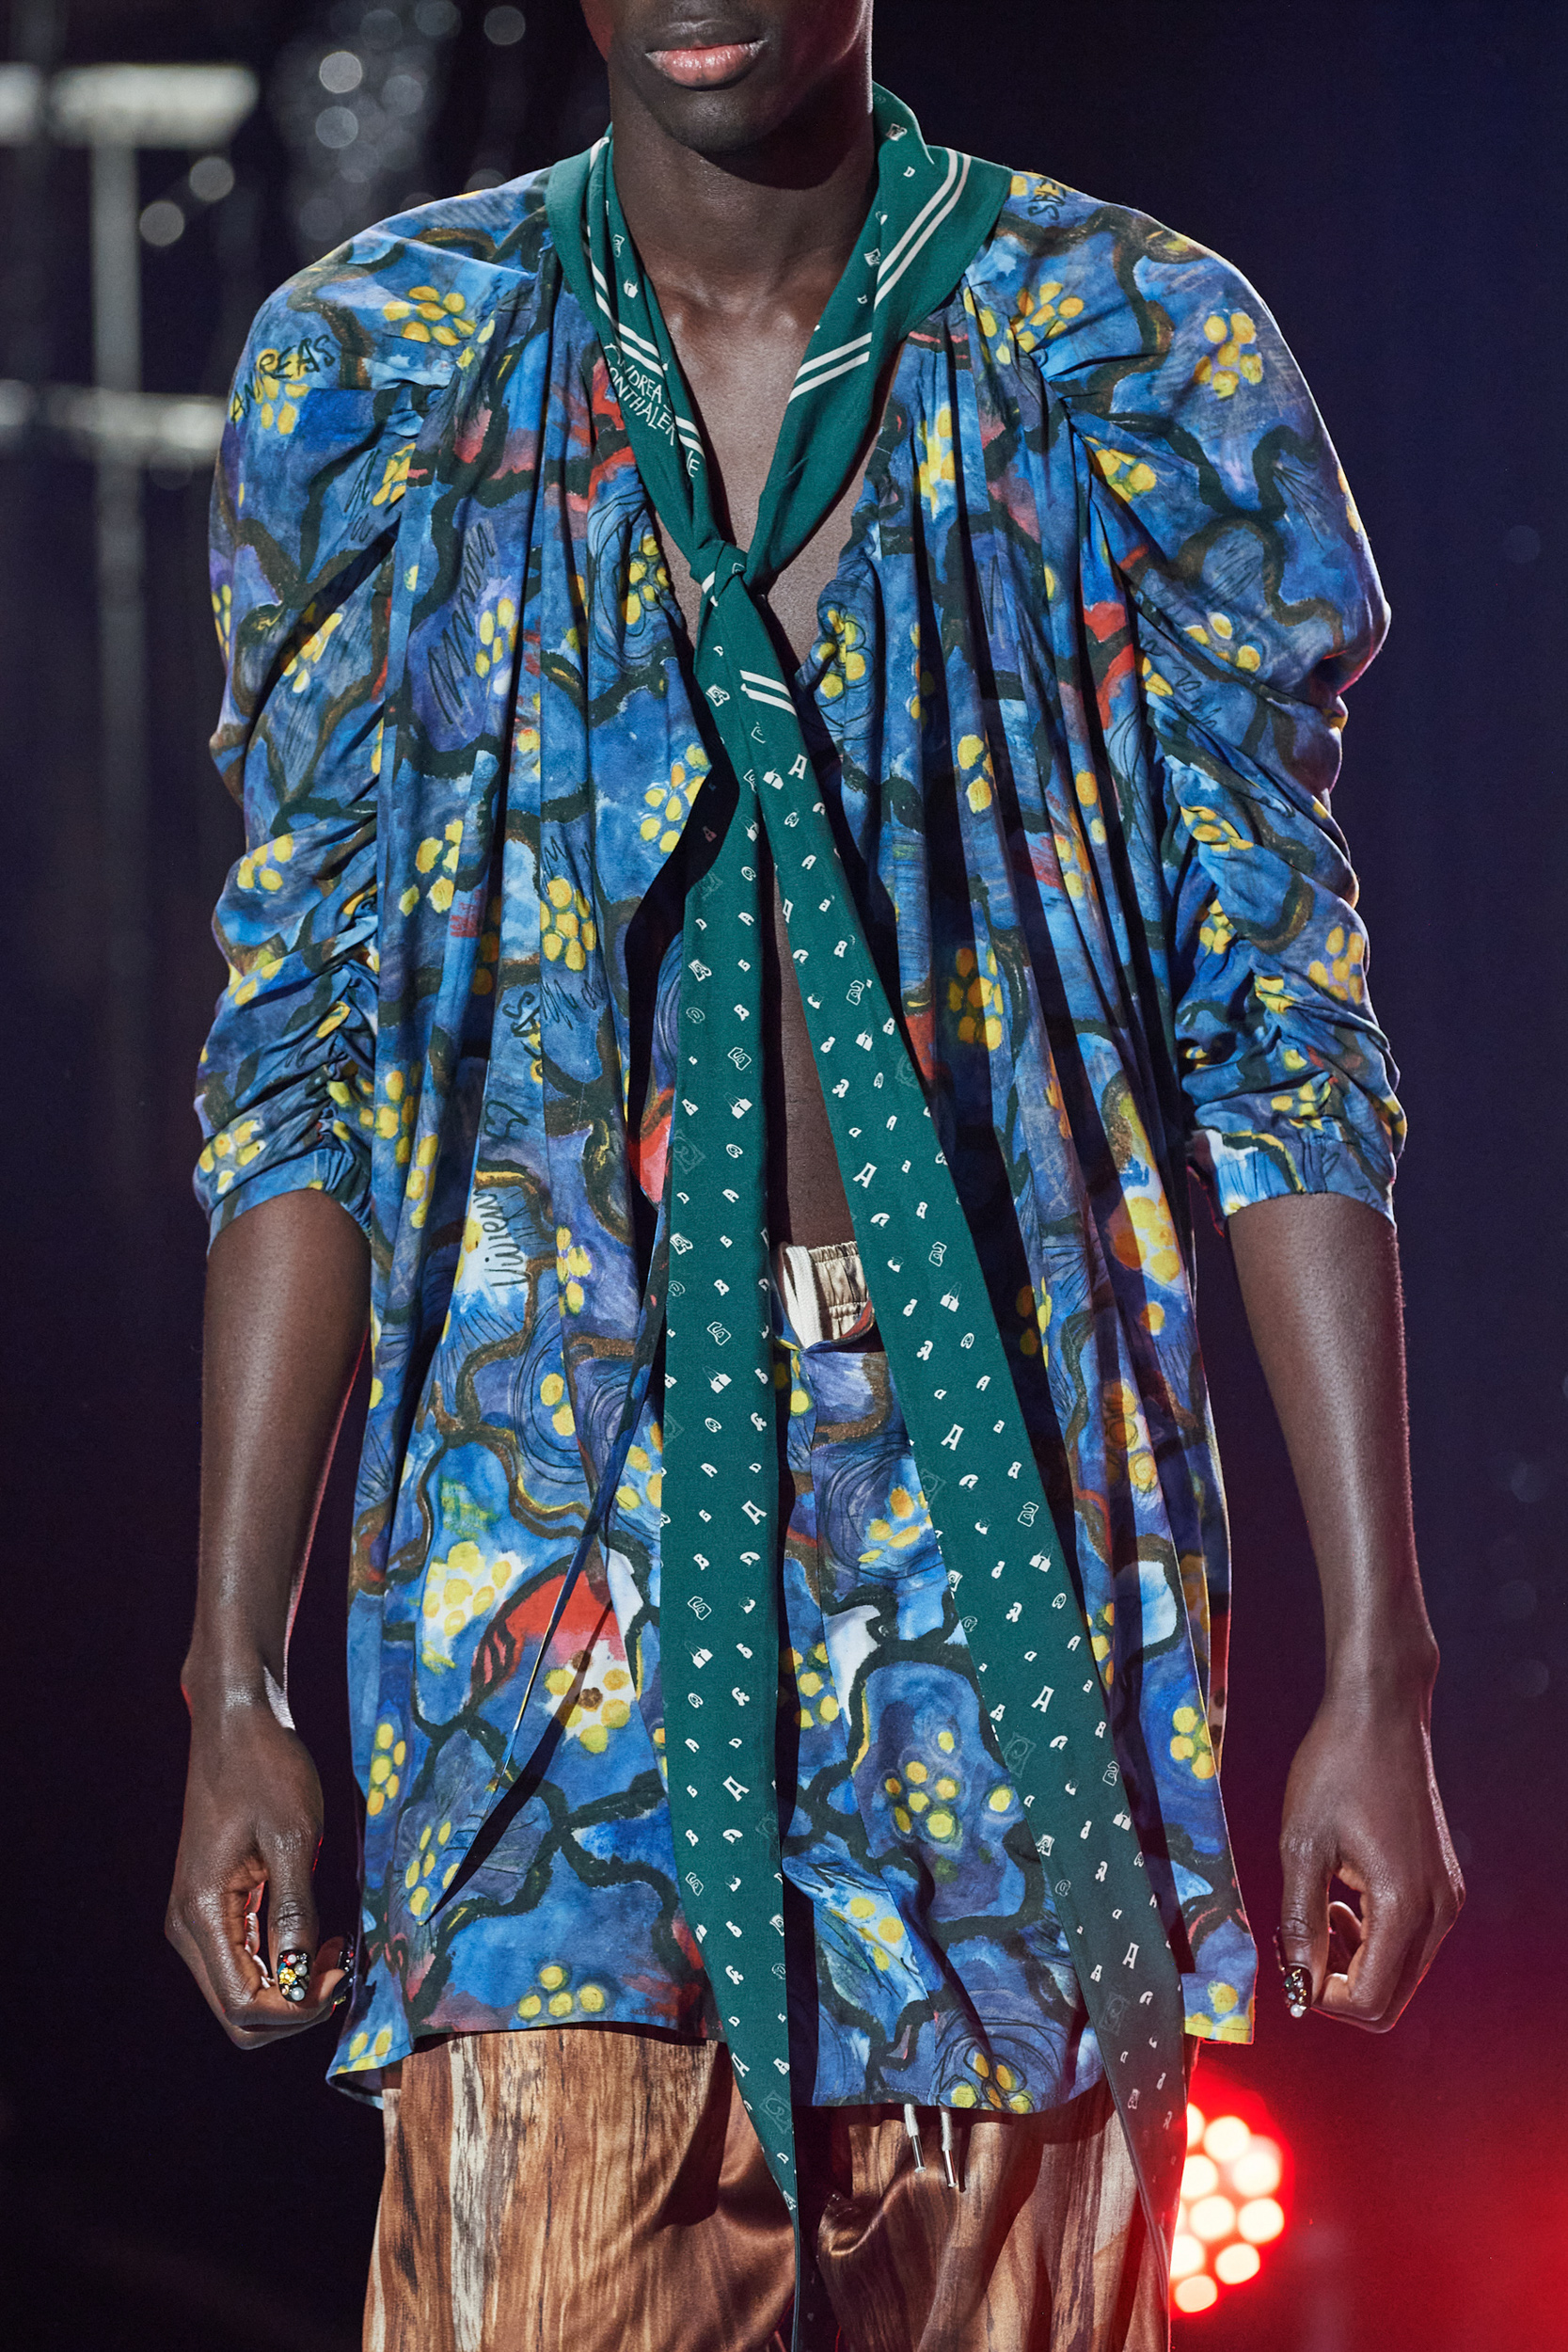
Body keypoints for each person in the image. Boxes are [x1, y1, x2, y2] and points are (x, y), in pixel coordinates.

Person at [166, 5, 1463, 2346]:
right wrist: (229, 1669)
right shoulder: (382, 368)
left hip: (1012, 1555)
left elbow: (1282, 1025)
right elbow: (305, 1046)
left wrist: (1384, 1662)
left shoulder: (1131, 349)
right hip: (543, 1574)